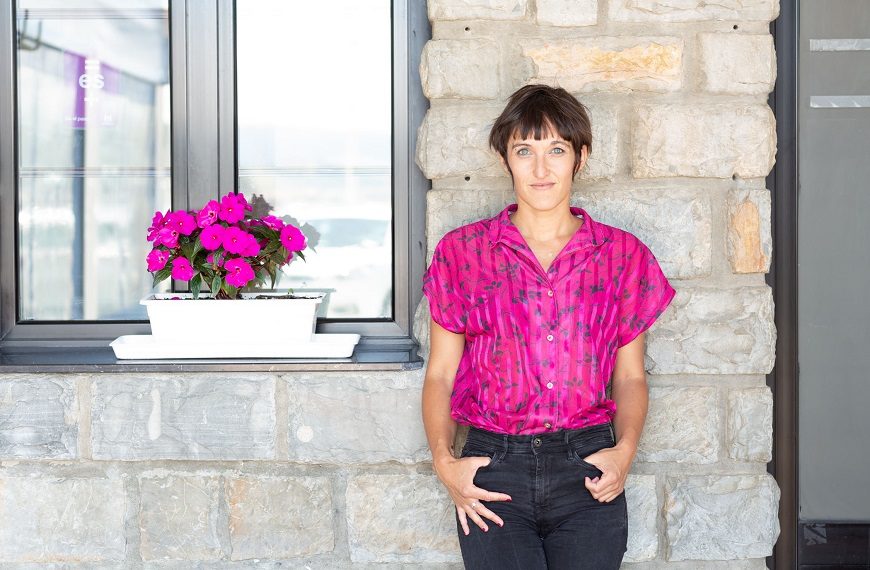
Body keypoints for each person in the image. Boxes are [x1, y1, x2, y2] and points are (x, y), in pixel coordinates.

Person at [420, 84, 677, 569]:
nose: (541, 169)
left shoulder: (622, 257)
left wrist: (624, 452)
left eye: (556, 150)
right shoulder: (463, 254)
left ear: (580, 158)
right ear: (506, 160)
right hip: (493, 469)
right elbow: (440, 376)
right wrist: (444, 463)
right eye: (525, 151)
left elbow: (630, 377)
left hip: (587, 468)